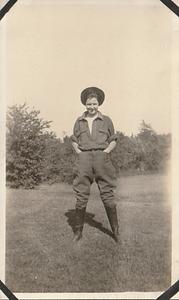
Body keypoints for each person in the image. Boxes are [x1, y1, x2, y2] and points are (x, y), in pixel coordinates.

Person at [71, 86, 119, 243]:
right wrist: (79, 153)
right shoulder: (79, 121)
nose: (91, 107)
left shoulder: (106, 120)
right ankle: (78, 233)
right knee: (81, 194)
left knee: (107, 193)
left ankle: (116, 232)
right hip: (84, 159)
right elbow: (73, 140)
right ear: (85, 104)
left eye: (94, 104)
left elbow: (113, 140)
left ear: (99, 104)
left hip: (101, 158)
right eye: (89, 104)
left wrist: (105, 153)